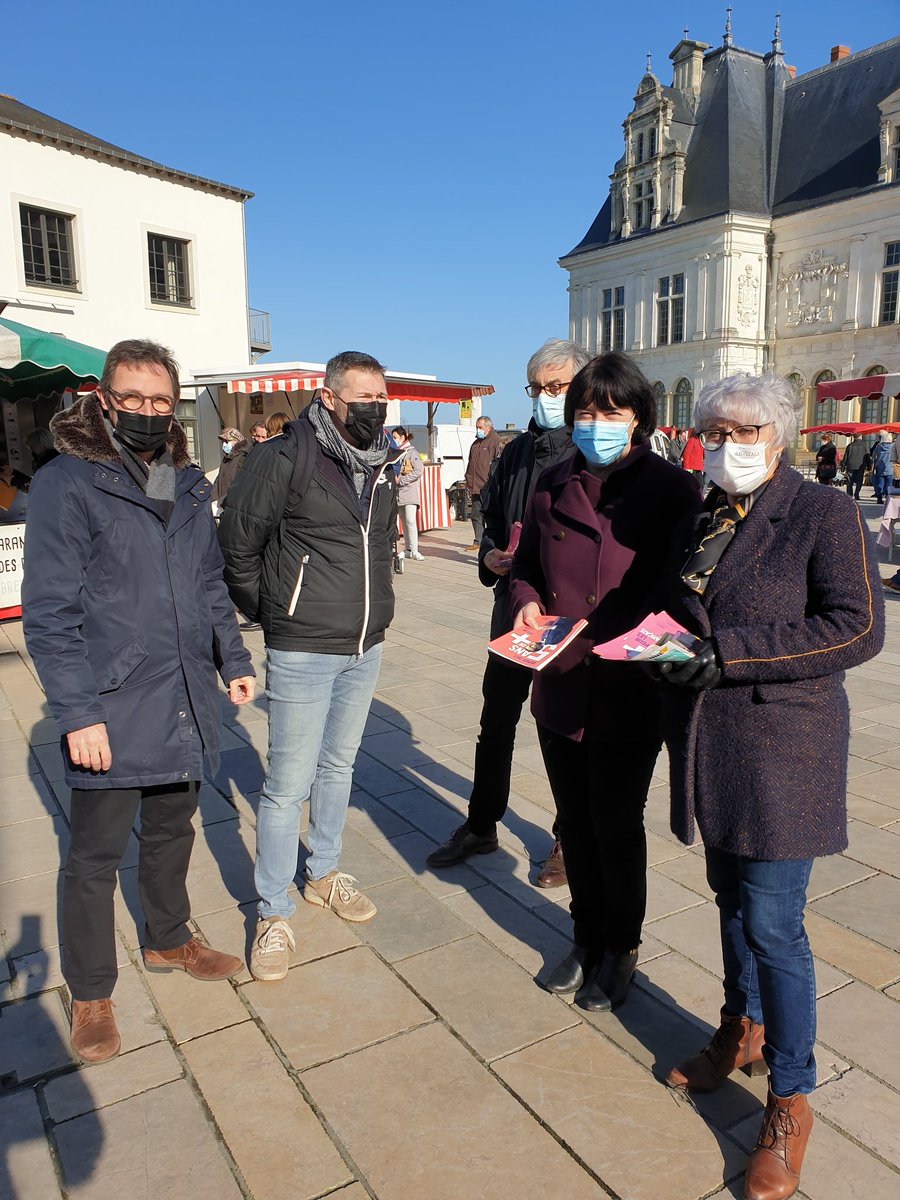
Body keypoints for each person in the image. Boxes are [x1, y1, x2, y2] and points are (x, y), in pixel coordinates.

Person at [656, 374, 884, 1200]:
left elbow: (856, 624)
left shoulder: (823, 512)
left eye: (742, 430)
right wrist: (656, 643)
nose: (725, 444)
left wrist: (733, 653)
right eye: (713, 430)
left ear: (780, 436)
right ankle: (739, 1026)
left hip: (786, 746)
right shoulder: (701, 509)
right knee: (727, 901)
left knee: (775, 923)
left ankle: (791, 1096)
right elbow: (679, 605)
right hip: (707, 740)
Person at [21, 338, 255, 1065]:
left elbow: (208, 582)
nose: (148, 412)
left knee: (172, 830)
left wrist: (233, 657)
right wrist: (78, 712)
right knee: (92, 856)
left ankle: (168, 937)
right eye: (133, 398)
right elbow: (50, 611)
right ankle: (91, 991)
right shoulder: (69, 481)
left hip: (184, 694)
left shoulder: (182, 480)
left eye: (160, 400)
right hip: (113, 704)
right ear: (104, 399)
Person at [507, 351, 701, 1012]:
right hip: (558, 679)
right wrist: (525, 601)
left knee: (616, 824)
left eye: (612, 410)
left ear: (640, 417)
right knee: (576, 824)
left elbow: (688, 592)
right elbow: (526, 566)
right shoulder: (551, 483)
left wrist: (656, 634)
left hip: (630, 688)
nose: (597, 422)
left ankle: (622, 949)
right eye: (586, 409)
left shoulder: (673, 489)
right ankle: (584, 939)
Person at [218, 350, 401, 982]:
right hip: (302, 645)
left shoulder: (381, 463)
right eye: (363, 399)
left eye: (382, 398)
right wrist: (277, 615)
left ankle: (323, 871)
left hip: (364, 643)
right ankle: (272, 910)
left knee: (340, 765)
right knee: (285, 783)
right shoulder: (282, 457)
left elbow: (379, 548)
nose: (376, 409)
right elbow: (237, 548)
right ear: (328, 399)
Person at [427, 338, 590, 886]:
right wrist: (490, 554)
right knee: (496, 721)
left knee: (565, 730)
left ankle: (571, 839)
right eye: (538, 388)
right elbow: (493, 520)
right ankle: (481, 823)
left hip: (567, 621)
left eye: (557, 387)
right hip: (513, 610)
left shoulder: (592, 452)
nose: (546, 398)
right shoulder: (515, 453)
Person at [464, 416, 502, 550]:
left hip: (488, 486)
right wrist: (468, 480)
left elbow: (499, 464)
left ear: (488, 427)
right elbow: (470, 463)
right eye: (476, 427)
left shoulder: (496, 441)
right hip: (475, 486)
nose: (477, 430)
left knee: (490, 516)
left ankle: (492, 542)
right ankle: (478, 541)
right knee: (475, 514)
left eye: (480, 427)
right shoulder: (475, 444)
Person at [392, 426, 425, 559]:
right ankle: (407, 549)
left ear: (402, 437)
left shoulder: (412, 452)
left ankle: (415, 549)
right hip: (398, 493)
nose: (393, 440)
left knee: (411, 520)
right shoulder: (395, 452)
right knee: (404, 521)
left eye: (395, 438)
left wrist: (402, 480)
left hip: (409, 492)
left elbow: (419, 471)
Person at [211, 426, 251, 512]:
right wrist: (212, 501)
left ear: (237, 441)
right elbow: (218, 482)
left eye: (227, 441)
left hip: (235, 507)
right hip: (222, 507)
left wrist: (222, 501)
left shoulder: (243, 458)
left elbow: (241, 486)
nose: (224, 444)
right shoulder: (226, 459)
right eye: (223, 442)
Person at [840, 432, 870, 500]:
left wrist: (843, 466)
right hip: (860, 466)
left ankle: (849, 495)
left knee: (849, 481)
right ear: (860, 437)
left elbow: (845, 457)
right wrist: (869, 466)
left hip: (850, 465)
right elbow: (867, 456)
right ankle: (857, 494)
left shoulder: (850, 445)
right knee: (859, 481)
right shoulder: (865, 445)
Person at [871, 431, 893, 503]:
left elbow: (874, 457)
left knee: (880, 484)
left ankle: (879, 498)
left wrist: (873, 466)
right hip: (890, 468)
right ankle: (887, 498)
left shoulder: (878, 447)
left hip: (879, 468)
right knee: (889, 485)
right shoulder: (893, 447)